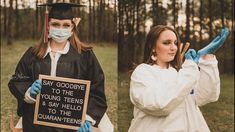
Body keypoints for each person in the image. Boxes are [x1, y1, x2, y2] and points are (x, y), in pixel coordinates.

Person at [8, 2, 113, 132]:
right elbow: (17, 80)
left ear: (72, 28)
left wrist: (87, 118)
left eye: (66, 25)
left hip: (71, 123)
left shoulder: (85, 56)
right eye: (55, 24)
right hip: (37, 123)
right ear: (48, 26)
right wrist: (28, 91)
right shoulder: (33, 54)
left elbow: (96, 90)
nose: (61, 29)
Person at [128, 25, 229, 132]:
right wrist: (190, 68)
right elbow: (159, 105)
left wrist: (207, 59)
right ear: (152, 46)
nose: (173, 47)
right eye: (166, 43)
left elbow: (207, 96)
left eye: (175, 43)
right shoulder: (143, 72)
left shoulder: (179, 73)